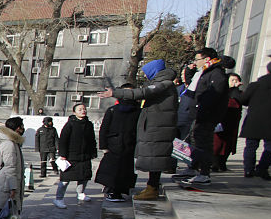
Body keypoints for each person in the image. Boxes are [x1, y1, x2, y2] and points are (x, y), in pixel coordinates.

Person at [99, 58, 179, 201]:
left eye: (147, 73)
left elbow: (141, 93)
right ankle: (151, 186)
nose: (146, 76)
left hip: (158, 126)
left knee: (155, 157)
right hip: (156, 124)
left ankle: (152, 188)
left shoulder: (163, 84)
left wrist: (116, 93)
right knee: (154, 157)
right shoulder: (163, 84)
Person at [176, 49, 234, 186]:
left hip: (206, 116)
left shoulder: (216, 73)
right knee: (195, 142)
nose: (196, 63)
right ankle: (194, 167)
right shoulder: (206, 72)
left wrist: (201, 108)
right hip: (198, 114)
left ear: (207, 59)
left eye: (197, 59)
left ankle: (204, 173)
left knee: (203, 144)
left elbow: (213, 96)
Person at [94, 91, 140, 202]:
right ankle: (117, 191)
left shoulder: (112, 110)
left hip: (114, 144)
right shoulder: (137, 111)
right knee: (123, 169)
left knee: (113, 170)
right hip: (128, 144)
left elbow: (104, 129)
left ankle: (112, 190)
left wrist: (104, 146)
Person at [240, 59, 271, 180]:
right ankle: (262, 168)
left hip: (254, 119)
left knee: (251, 145)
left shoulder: (256, 85)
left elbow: (243, 100)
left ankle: (249, 170)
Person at [55, 104, 96, 207]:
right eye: (80, 109)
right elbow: (63, 140)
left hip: (85, 157)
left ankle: (81, 193)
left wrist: (93, 152)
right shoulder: (70, 124)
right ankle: (59, 198)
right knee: (65, 180)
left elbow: (92, 140)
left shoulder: (89, 124)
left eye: (84, 109)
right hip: (71, 157)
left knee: (84, 177)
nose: (83, 111)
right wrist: (62, 154)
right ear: (74, 112)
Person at [213, 73, 244, 172]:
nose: (234, 83)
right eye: (232, 80)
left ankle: (222, 164)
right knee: (217, 144)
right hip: (221, 121)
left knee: (228, 145)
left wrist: (235, 89)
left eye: (236, 80)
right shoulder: (222, 91)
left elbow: (239, 100)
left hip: (232, 122)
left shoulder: (238, 93)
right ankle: (214, 164)